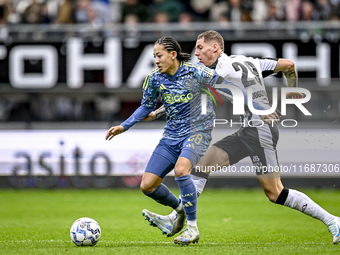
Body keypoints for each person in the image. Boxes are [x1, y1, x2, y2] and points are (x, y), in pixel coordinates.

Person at [144, 30, 340, 244]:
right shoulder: (249, 61)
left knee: (275, 192)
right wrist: (292, 92)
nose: (196, 52)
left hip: (261, 130)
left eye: (200, 47)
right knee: (201, 166)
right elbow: (289, 65)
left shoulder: (220, 68)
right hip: (249, 130)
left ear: (215, 48)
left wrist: (156, 112)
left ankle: (333, 221)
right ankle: (176, 219)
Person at [105, 35, 266, 245]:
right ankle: (180, 210)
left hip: (198, 131)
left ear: (173, 55)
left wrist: (260, 109)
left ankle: (192, 228)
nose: (156, 60)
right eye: (154, 56)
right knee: (147, 185)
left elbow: (229, 88)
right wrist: (124, 126)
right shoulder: (154, 79)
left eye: (159, 55)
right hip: (171, 136)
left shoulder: (196, 72)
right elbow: (146, 106)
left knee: (182, 170)